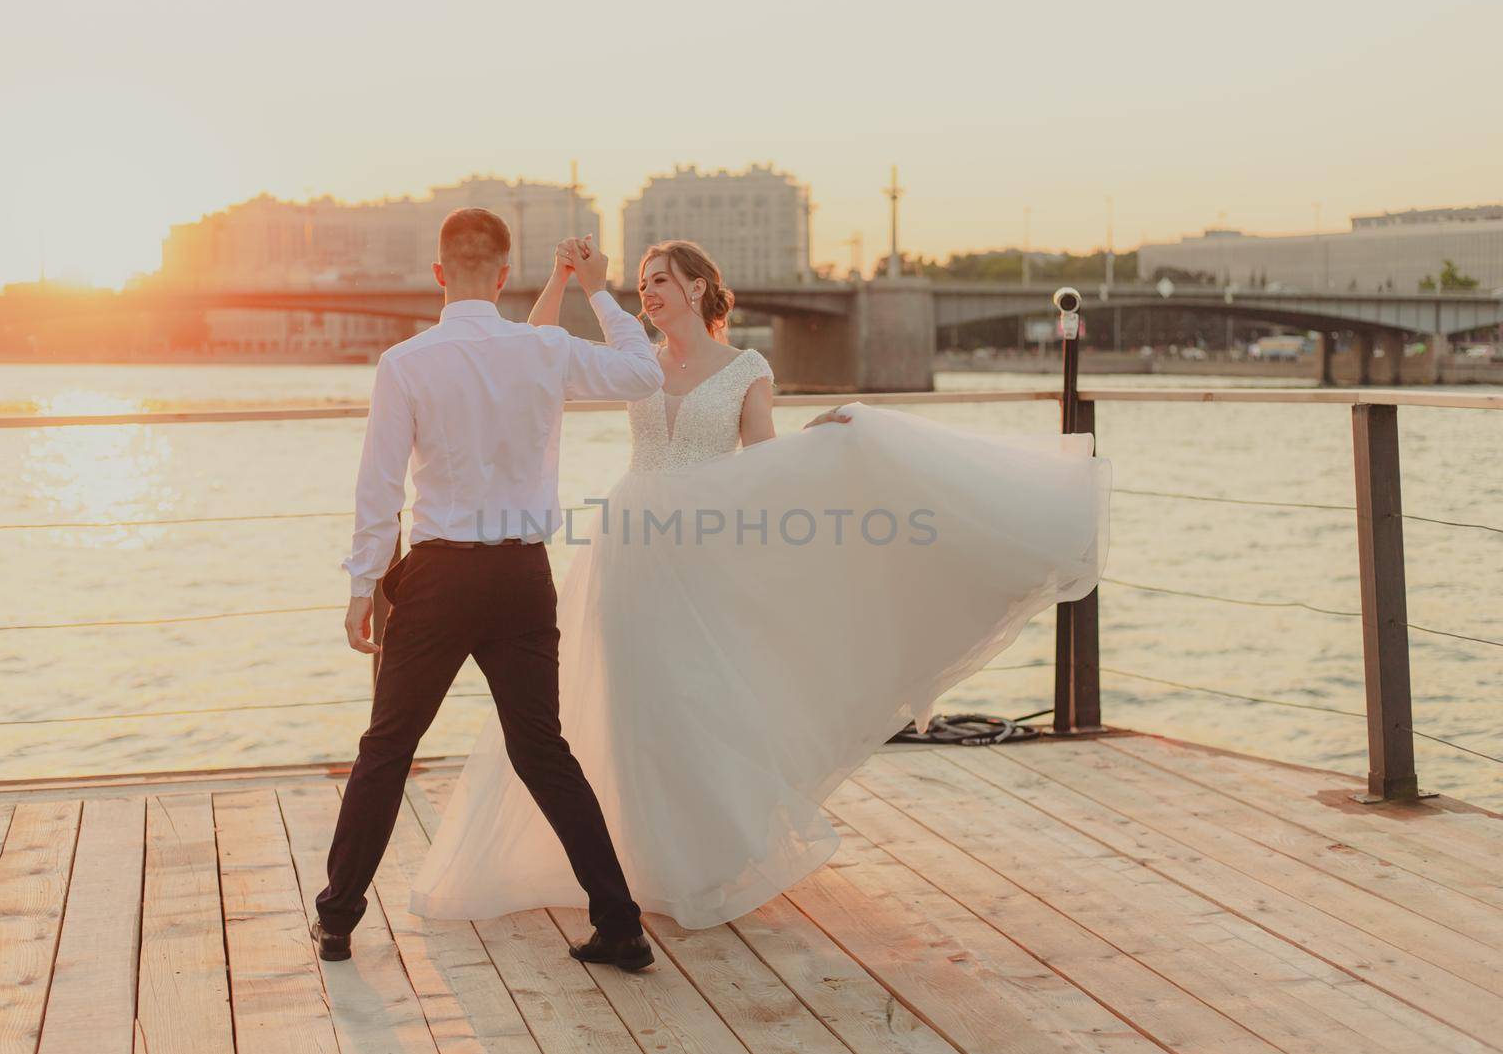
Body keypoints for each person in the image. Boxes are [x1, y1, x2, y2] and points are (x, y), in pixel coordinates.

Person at [408, 238, 1112, 930]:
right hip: (630, 545)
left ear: (695, 286)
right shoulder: (638, 362)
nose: (646, 292)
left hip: (709, 550)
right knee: (633, 700)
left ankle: (703, 859)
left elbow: (765, 463)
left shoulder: (746, 366)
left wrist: (832, 444)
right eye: (643, 282)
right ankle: (641, 860)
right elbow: (532, 353)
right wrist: (565, 278)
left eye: (659, 280)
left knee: (699, 697)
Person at [312, 208, 662, 972]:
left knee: (388, 747)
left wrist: (364, 582)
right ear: (505, 276)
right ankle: (621, 923)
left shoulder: (405, 362)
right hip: (521, 576)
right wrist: (599, 292)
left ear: (440, 274)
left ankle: (337, 920)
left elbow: (379, 486)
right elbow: (644, 373)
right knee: (542, 749)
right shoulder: (542, 348)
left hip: (438, 578)